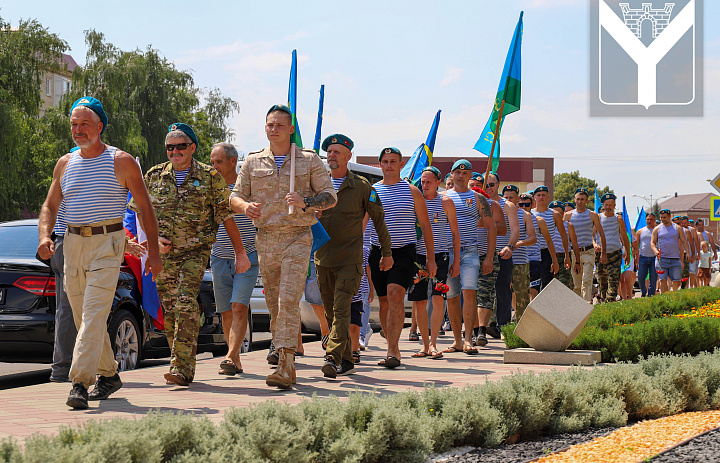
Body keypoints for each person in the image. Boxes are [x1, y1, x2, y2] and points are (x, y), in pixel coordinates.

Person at [38, 97, 162, 409]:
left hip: (108, 243)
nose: (77, 130)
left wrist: (155, 253)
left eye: (84, 124)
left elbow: (145, 207)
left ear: (100, 127)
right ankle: (109, 375)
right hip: (73, 245)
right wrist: (44, 236)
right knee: (83, 319)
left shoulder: (121, 161)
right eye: (73, 125)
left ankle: (79, 382)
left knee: (93, 314)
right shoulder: (65, 163)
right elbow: (50, 206)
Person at [133, 124, 250, 387]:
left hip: (195, 252)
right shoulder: (154, 175)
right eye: (170, 147)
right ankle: (180, 361)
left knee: (186, 302)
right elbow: (140, 210)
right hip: (163, 255)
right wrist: (153, 243)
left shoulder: (209, 177)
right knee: (171, 310)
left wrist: (240, 252)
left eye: (180, 146)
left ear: (192, 148)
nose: (175, 151)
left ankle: (181, 367)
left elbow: (226, 216)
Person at [231, 105, 336, 388]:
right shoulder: (253, 162)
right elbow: (235, 197)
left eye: (279, 125)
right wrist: (245, 207)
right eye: (269, 124)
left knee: (288, 299)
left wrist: (307, 202)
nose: (273, 129)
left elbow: (330, 197)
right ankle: (283, 354)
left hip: (298, 236)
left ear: (291, 129)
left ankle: (287, 364)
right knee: (274, 305)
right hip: (265, 238)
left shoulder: (308, 160)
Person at [315, 134, 391, 378]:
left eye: (337, 152)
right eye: (329, 152)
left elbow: (379, 220)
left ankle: (332, 356)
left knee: (341, 309)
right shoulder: (317, 185)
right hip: (323, 259)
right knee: (329, 312)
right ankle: (346, 359)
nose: (332, 155)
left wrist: (386, 254)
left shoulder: (361, 187)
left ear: (348, 156)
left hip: (350, 259)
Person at [368, 147, 435, 369]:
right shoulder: (372, 191)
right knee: (384, 302)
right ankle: (392, 343)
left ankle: (392, 351)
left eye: (393, 161)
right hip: (377, 251)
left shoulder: (412, 191)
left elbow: (425, 225)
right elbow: (363, 224)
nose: (389, 165)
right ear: (380, 165)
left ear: (401, 164)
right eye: (385, 161)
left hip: (404, 251)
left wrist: (431, 259)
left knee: (395, 294)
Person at [209, 142, 258, 376]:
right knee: (226, 311)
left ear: (232, 161)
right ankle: (235, 358)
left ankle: (229, 356)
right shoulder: (209, 188)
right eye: (212, 162)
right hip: (219, 257)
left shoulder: (247, 187)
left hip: (247, 257)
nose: (214, 166)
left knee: (239, 307)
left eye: (219, 162)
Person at [407, 166, 460, 359]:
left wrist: (456, 262)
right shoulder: (414, 200)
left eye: (429, 181)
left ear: (439, 182)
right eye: (422, 181)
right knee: (420, 301)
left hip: (441, 256)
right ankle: (424, 345)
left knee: (438, 298)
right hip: (418, 257)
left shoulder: (445, 202)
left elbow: (455, 233)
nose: (425, 185)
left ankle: (434, 343)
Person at [443, 160, 495, 354]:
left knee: (470, 292)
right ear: (451, 175)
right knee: (452, 296)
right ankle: (456, 340)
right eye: (457, 172)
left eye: (465, 173)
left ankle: (468, 339)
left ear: (470, 176)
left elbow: (491, 228)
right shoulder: (443, 197)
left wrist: (489, 256)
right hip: (447, 251)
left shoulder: (478, 198)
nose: (461, 176)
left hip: (470, 251)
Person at [477, 172, 517, 340]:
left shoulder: (507, 205)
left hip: (502, 253)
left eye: (492, 184)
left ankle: (503, 326)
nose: (489, 188)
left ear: (498, 185)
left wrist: (510, 246)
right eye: (486, 185)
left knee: (502, 292)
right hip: (480, 252)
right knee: (482, 293)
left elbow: (514, 229)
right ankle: (482, 327)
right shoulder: (475, 202)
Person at [501, 185, 537, 321]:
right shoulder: (498, 212)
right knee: (501, 294)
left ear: (517, 198)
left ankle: (524, 325)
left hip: (520, 261)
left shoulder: (525, 215)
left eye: (511, 197)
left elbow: (533, 238)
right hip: (502, 259)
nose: (509, 200)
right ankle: (500, 325)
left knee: (522, 295)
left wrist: (519, 243)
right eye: (506, 197)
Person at [565, 188, 606, 302]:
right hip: (574, 252)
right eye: (578, 199)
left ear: (587, 201)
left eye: (582, 199)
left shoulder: (592, 215)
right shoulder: (568, 216)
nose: (580, 202)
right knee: (576, 283)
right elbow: (563, 237)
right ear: (574, 200)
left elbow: (601, 234)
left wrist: (603, 252)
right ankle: (577, 307)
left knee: (586, 280)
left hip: (588, 251)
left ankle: (587, 305)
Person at [594, 194, 631, 303]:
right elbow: (592, 235)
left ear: (614, 205)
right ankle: (604, 304)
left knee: (613, 281)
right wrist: (594, 244)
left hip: (615, 255)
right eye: (606, 205)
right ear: (603, 205)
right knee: (602, 282)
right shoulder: (598, 218)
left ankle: (610, 302)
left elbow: (624, 236)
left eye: (611, 205)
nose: (608, 207)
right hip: (600, 255)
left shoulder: (618, 219)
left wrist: (627, 253)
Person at [532, 186, 570, 290]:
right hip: (532, 252)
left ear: (548, 197)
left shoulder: (554, 214)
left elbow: (563, 235)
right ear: (534, 197)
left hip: (547, 252)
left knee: (546, 283)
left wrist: (567, 254)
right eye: (538, 195)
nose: (541, 197)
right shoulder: (530, 213)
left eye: (543, 195)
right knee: (533, 284)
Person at [652, 209, 691, 292]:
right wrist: (655, 250)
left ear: (670, 217)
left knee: (676, 280)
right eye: (661, 217)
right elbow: (652, 242)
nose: (663, 219)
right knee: (663, 280)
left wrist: (687, 253)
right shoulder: (657, 229)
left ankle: (674, 297)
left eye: (665, 217)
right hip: (662, 259)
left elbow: (684, 241)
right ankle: (665, 298)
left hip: (675, 259)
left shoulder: (677, 228)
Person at [549, 200, 577, 290]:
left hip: (564, 258)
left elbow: (574, 244)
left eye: (560, 213)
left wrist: (577, 262)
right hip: (550, 258)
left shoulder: (568, 225)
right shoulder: (546, 225)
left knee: (564, 284)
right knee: (551, 286)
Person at [636, 212, 658, 296]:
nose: (649, 221)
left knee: (653, 278)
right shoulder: (640, 231)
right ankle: (643, 292)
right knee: (641, 277)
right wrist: (636, 257)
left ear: (654, 220)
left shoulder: (657, 230)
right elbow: (637, 245)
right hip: (643, 257)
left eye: (651, 219)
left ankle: (651, 294)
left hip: (654, 258)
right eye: (648, 219)